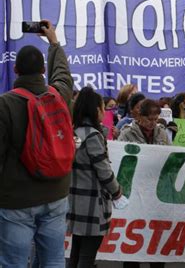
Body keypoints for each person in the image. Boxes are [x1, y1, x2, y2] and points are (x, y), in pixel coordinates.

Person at [0, 20, 73, 267]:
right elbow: (62, 74)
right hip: (56, 194)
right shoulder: (59, 95)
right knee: (53, 259)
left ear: (16, 72)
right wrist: (53, 41)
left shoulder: (5, 104)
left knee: (13, 262)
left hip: (16, 200)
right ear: (43, 70)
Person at [68, 87, 123, 267]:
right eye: (102, 107)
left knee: (75, 252)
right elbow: (104, 171)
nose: (104, 112)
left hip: (74, 200)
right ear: (95, 109)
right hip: (92, 203)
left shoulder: (73, 131)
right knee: (87, 256)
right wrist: (117, 193)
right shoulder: (93, 136)